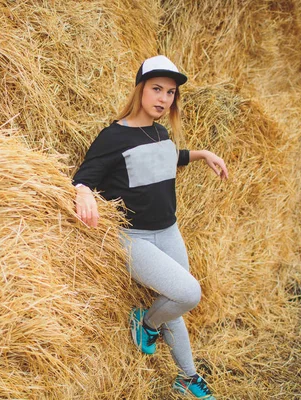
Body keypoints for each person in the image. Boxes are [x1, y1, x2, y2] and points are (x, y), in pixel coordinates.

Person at [72, 55, 227, 399]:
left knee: (176, 302)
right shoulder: (113, 136)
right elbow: (83, 178)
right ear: (141, 89)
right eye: (157, 89)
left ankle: (187, 378)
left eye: (170, 93)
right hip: (132, 238)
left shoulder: (159, 131)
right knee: (187, 294)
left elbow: (165, 157)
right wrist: (83, 193)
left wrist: (201, 154)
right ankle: (145, 321)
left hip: (168, 231)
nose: (163, 99)